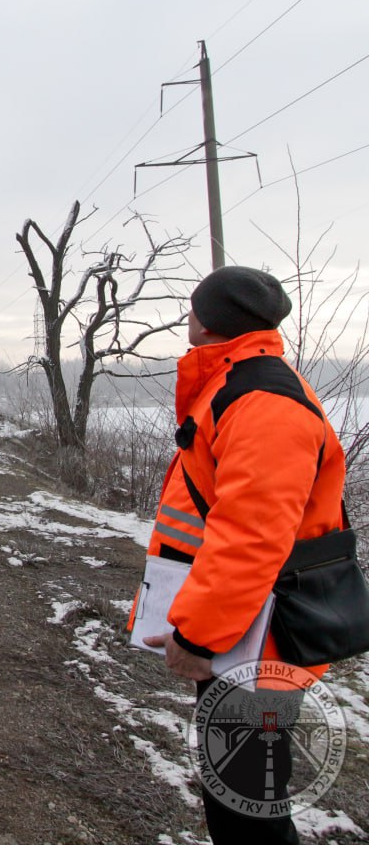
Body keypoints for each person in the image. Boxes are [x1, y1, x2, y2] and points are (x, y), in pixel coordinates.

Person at [133, 265, 347, 844]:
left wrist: (201, 636)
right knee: (239, 797)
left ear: (207, 322)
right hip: (247, 630)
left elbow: (253, 536)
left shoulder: (263, 401)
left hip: (258, 640)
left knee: (248, 808)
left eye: (193, 308)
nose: (187, 317)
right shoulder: (239, 387)